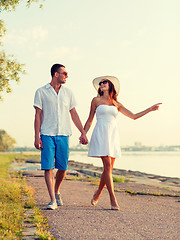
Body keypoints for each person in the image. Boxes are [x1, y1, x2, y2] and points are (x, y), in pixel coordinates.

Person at [83, 76, 161, 210]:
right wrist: (83, 133)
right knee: (107, 167)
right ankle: (113, 199)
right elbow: (90, 119)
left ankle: (98, 192)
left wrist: (150, 109)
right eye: (100, 83)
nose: (101, 84)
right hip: (101, 133)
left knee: (109, 169)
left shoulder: (116, 104)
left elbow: (134, 116)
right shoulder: (95, 100)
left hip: (113, 135)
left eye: (104, 82)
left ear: (111, 86)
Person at [33, 63, 88, 210]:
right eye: (64, 73)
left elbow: (74, 114)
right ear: (56, 74)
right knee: (48, 167)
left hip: (64, 134)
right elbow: (38, 115)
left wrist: (83, 132)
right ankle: (52, 200)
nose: (67, 76)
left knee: (63, 167)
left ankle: (56, 191)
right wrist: (36, 136)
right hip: (47, 134)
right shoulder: (41, 92)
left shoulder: (68, 93)